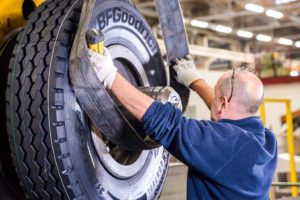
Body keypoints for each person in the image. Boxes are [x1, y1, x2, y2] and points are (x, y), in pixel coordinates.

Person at [88, 48, 278, 200]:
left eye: (217, 95)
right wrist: (195, 81)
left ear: (223, 103)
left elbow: (168, 124)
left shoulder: (230, 144)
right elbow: (224, 113)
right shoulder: (266, 141)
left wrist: (109, 75)